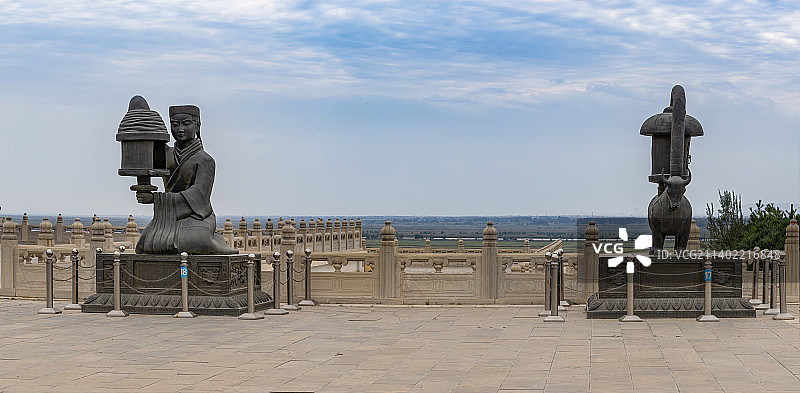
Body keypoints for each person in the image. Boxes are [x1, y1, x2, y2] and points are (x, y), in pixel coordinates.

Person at [135, 105, 237, 254]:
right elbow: (143, 152)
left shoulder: (206, 160)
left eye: (186, 124)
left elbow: (198, 196)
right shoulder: (165, 155)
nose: (180, 129)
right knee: (145, 244)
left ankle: (219, 245)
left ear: (197, 126)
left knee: (196, 241)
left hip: (197, 216)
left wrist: (156, 199)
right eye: (175, 125)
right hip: (168, 218)